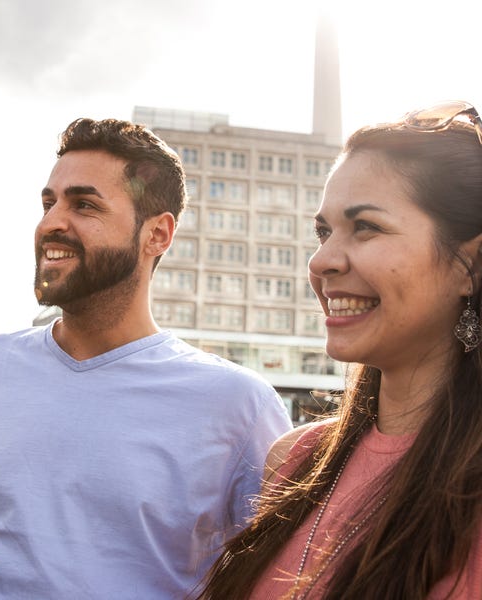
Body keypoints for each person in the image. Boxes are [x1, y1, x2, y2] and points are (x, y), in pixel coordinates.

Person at [0, 118, 291, 599]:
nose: (51, 222)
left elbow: (277, 578)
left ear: (157, 235)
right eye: (48, 203)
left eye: (84, 204)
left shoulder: (240, 406)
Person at [196, 100, 482, 599]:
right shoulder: (294, 460)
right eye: (324, 231)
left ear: (470, 267)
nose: (321, 260)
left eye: (365, 226)